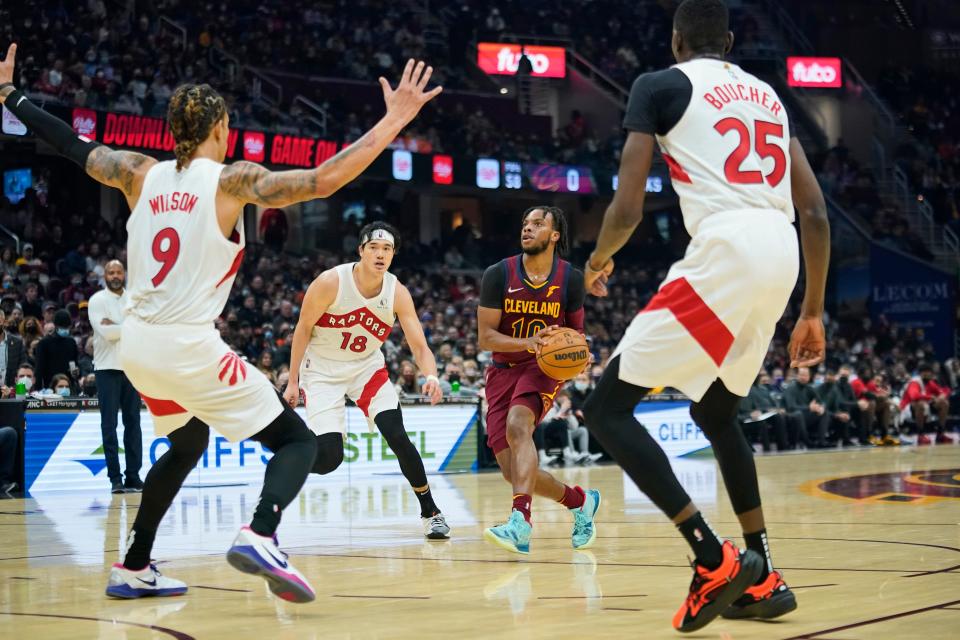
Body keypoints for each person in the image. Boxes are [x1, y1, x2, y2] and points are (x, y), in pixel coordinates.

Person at [0, 44, 442, 601]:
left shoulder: (137, 172)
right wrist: (394, 120)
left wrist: (10, 96)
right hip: (186, 344)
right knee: (298, 443)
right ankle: (261, 532)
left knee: (186, 445)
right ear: (220, 128)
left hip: (135, 348)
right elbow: (322, 180)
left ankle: (134, 565)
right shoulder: (231, 182)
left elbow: (67, 142)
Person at [580, 0, 829, 631]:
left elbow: (628, 207)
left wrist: (598, 259)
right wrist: (813, 312)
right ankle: (762, 573)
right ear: (731, 40)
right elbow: (818, 214)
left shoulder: (659, 85)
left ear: (675, 40)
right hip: (783, 251)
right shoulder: (769, 96)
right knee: (716, 412)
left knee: (607, 409)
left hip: (728, 248)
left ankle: (712, 558)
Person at [284, 222, 451, 539]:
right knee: (329, 458)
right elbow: (302, 329)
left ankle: (431, 512)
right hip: (322, 371)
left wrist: (431, 376)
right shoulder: (331, 282)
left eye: (387, 249)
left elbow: (419, 345)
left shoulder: (397, 292)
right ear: (360, 250)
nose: (380, 254)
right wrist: (293, 381)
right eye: (374, 247)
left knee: (397, 435)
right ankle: (288, 452)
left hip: (365, 368)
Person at [477, 205, 599, 555]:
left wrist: (581, 352)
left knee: (519, 426)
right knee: (510, 470)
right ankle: (580, 501)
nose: (527, 228)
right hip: (503, 370)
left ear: (555, 235)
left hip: (543, 369)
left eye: (537, 223)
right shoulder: (498, 274)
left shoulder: (570, 279)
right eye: (525, 223)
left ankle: (520, 523)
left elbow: (576, 332)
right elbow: (485, 337)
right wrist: (525, 343)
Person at [89, 260, 143, 494]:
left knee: (134, 424)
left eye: (118, 271)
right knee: (109, 425)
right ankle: (115, 478)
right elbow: (107, 333)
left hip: (131, 367)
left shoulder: (134, 298)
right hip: (106, 368)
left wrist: (118, 325)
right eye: (110, 272)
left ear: (124, 274)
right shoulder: (97, 300)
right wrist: (131, 326)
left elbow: (145, 329)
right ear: (105, 276)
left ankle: (133, 475)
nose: (115, 275)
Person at [34, 309, 79, 390]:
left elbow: (76, 363)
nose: (65, 329)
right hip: (50, 387)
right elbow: (39, 370)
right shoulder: (44, 343)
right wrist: (37, 391)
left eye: (67, 326)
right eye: (62, 326)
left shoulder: (71, 342)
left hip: (68, 386)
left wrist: (77, 371)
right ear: (56, 325)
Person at [0, 308, 27, 392]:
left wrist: (19, 392)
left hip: (12, 392)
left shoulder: (17, 342)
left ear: (4, 321)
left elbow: (23, 369)